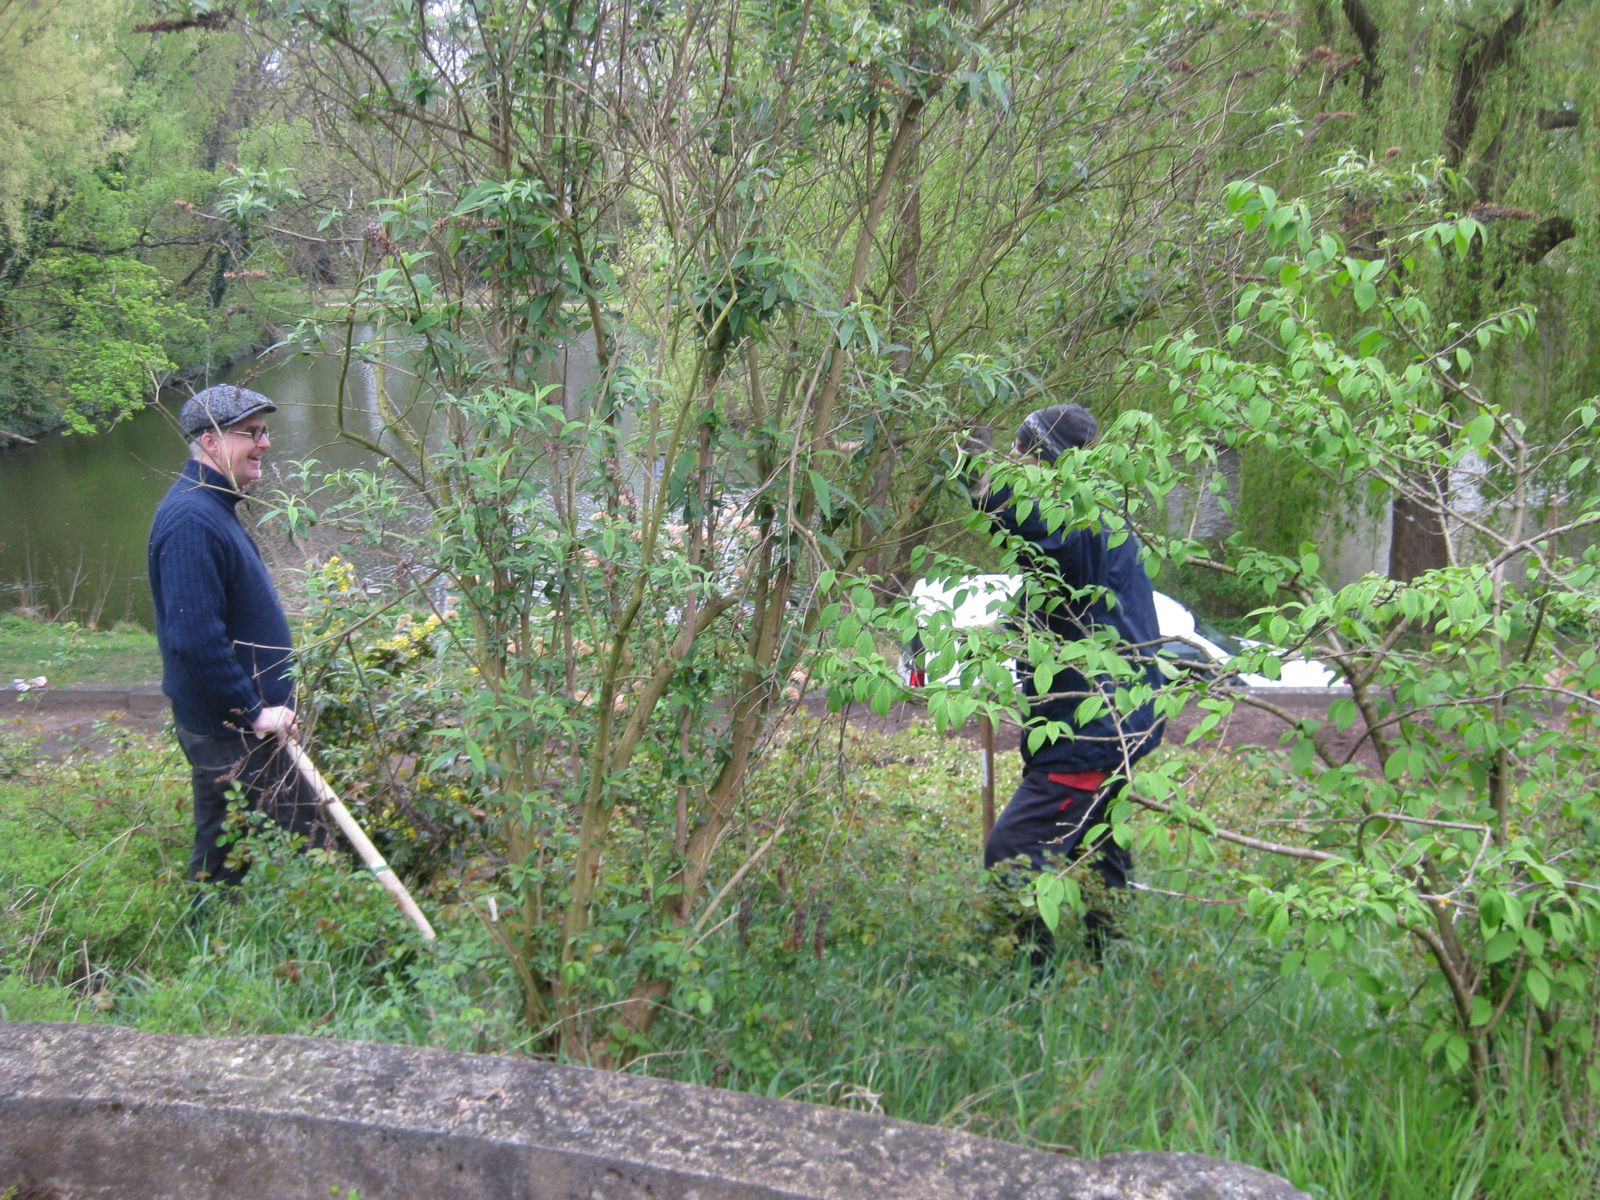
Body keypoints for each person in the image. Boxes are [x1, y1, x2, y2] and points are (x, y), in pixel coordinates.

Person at [973, 403, 1166, 958]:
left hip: (1090, 731)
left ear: (1046, 462)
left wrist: (977, 479)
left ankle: (1030, 976)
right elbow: (1073, 592)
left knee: (1015, 850)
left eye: (1020, 452)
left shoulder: (1076, 520)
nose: (1012, 460)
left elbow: (1032, 529)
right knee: (1100, 845)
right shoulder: (1102, 516)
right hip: (1123, 717)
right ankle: (1111, 960)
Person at [147, 384, 324, 886]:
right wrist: (251, 712)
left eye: (264, 431)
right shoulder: (191, 520)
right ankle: (220, 938)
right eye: (252, 433)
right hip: (234, 731)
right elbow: (194, 636)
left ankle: (250, 925)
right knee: (244, 851)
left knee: (243, 846)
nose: (265, 443)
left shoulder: (212, 507)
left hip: (246, 727)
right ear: (210, 441)